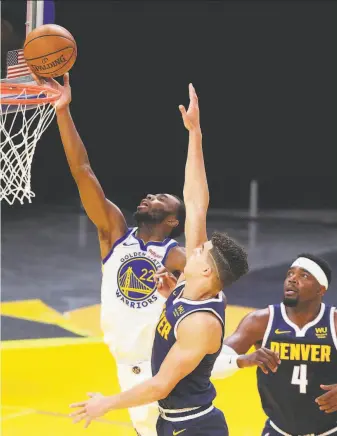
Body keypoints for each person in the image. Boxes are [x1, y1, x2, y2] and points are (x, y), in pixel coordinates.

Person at [69, 83, 250, 435]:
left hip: (183, 414)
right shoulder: (184, 289)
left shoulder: (201, 316)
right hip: (158, 401)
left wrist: (104, 404)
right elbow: (197, 203)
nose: (194, 248)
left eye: (201, 252)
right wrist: (195, 134)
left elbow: (160, 386)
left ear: (208, 271)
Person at [41, 73, 186, 436]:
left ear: (172, 219)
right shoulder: (115, 234)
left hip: (162, 366)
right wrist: (63, 111)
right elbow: (82, 171)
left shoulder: (177, 257)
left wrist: (178, 297)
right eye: (151, 194)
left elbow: (212, 291)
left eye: (161, 199)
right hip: (127, 367)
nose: (150, 195)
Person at [214, 253, 337, 435]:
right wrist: (242, 360)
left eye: (304, 275)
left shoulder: (333, 322)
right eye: (290, 274)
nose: (292, 279)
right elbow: (211, 366)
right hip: (279, 430)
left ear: (321, 289)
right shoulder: (260, 321)